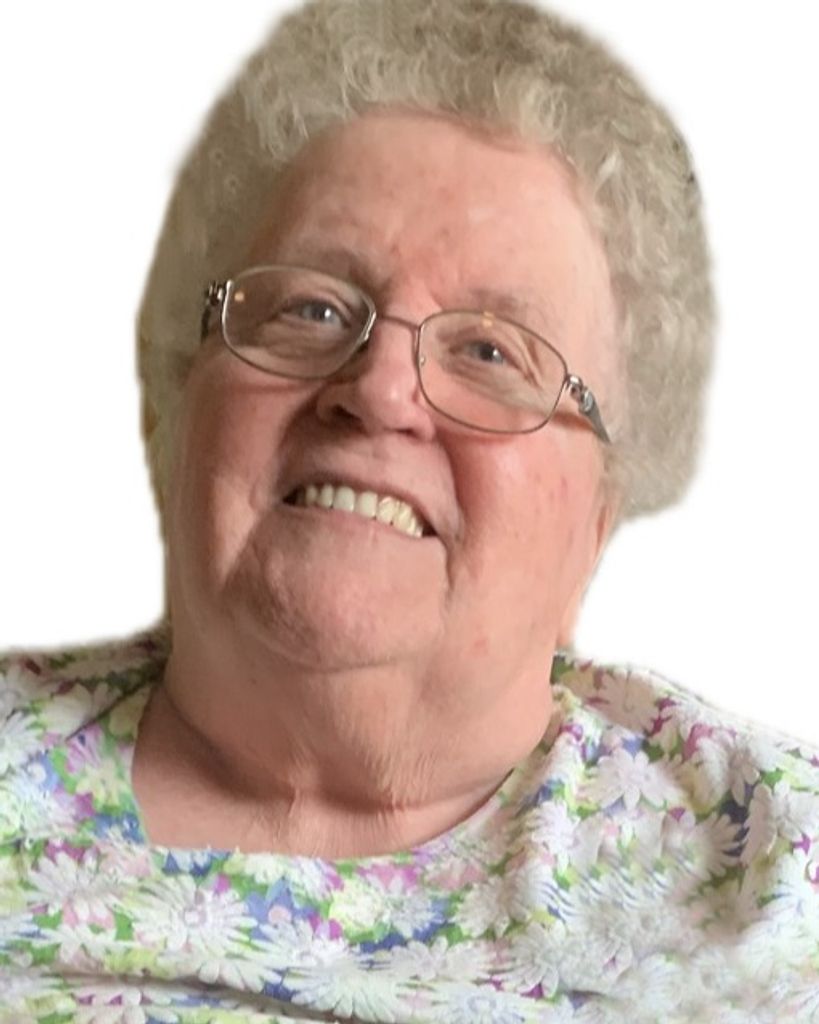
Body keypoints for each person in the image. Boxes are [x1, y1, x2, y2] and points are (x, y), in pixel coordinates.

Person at [0, 0, 817, 1020]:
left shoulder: (777, 863)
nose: (381, 389)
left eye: (490, 352)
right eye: (311, 308)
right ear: (177, 406)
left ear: (597, 522)